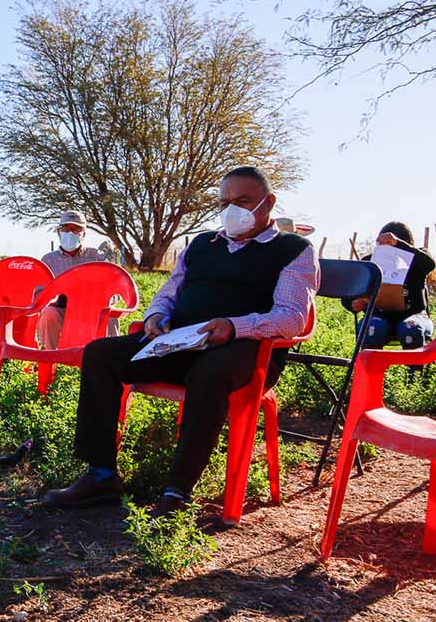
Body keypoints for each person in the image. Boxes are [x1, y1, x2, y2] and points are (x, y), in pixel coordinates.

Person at [43, 166, 319, 516]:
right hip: (180, 343)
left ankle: (177, 492)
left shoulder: (294, 250)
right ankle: (101, 475)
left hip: (244, 352)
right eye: (224, 202)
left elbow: (292, 317)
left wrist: (234, 326)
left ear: (269, 203)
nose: (231, 209)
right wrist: (155, 317)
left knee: (210, 372)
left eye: (243, 201)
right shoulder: (201, 245)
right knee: (100, 353)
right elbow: (168, 293)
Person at [342, 222, 436, 349]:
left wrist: (399, 245)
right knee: (372, 328)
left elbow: (429, 264)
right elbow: (349, 293)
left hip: (414, 315)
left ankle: (414, 369)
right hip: (379, 316)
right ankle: (371, 368)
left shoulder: (417, 258)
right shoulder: (370, 262)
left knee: (411, 328)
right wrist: (354, 303)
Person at [38, 211, 115, 349]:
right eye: (66, 229)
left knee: (109, 314)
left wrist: (102, 299)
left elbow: (115, 290)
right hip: (62, 311)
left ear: (83, 234)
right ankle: (48, 359)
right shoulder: (48, 260)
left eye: (76, 229)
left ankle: (110, 359)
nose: (70, 233)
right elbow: (39, 295)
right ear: (59, 232)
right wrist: (52, 299)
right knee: (49, 313)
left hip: (93, 311)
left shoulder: (97, 257)